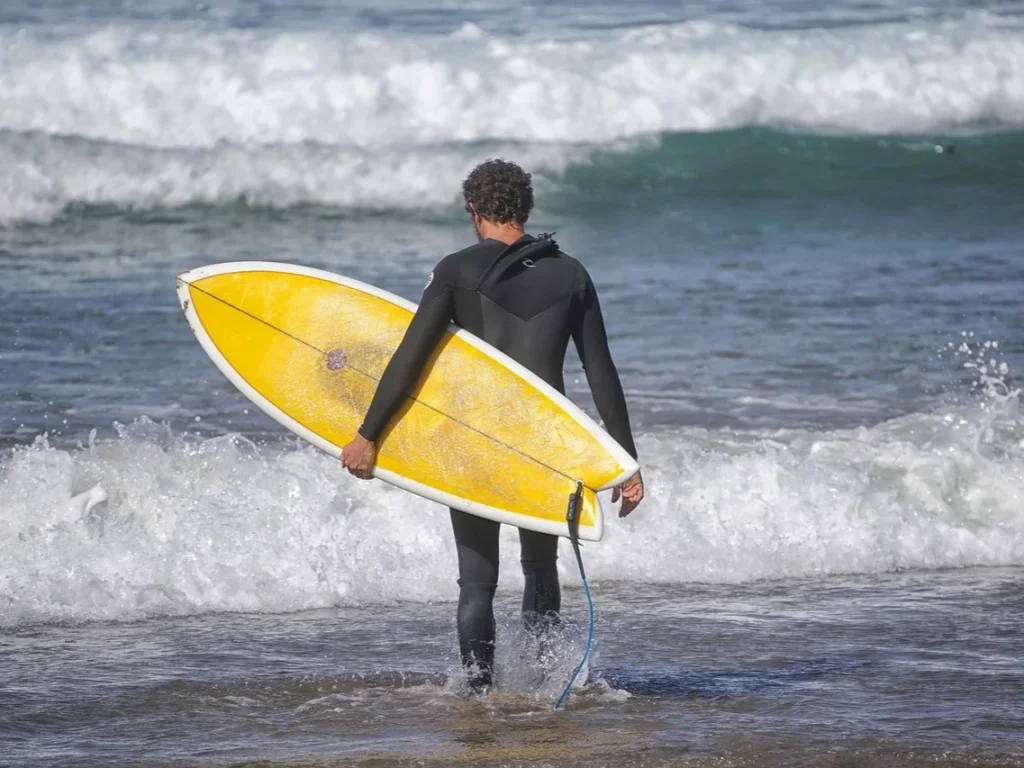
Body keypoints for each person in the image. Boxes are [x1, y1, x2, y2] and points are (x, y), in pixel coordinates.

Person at [340, 159, 644, 692]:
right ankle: (544, 685)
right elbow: (602, 371)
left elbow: (409, 359)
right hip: (544, 445)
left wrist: (369, 435)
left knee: (477, 583)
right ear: (525, 209)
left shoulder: (455, 270)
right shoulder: (571, 273)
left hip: (474, 441)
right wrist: (626, 463)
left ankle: (478, 696)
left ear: (473, 210)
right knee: (541, 568)